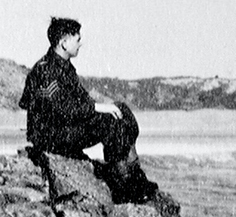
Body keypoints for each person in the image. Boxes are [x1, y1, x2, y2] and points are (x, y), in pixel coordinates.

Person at [19, 17, 158, 204]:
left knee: (120, 110)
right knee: (109, 122)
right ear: (64, 43)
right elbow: (62, 110)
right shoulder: (45, 70)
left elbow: (82, 100)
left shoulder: (65, 67)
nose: (80, 43)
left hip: (63, 128)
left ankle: (133, 173)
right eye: (77, 39)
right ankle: (123, 185)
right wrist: (98, 108)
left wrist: (105, 108)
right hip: (50, 136)